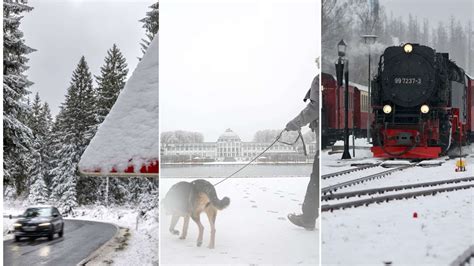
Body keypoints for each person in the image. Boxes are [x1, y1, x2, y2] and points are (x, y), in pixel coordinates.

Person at [285, 74, 319, 230]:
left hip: (321, 142)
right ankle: (309, 217)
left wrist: (294, 123)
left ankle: (308, 218)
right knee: (316, 181)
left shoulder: (319, 78)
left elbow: (314, 107)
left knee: (315, 181)